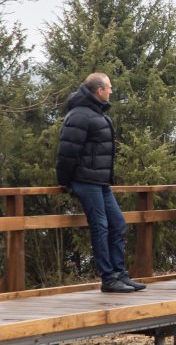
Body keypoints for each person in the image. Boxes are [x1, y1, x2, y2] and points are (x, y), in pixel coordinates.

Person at [55, 73, 146, 293]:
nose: (111, 91)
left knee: (118, 224)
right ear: (99, 90)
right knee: (101, 227)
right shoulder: (79, 116)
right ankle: (109, 278)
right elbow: (66, 153)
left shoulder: (96, 113)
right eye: (109, 88)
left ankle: (120, 274)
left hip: (101, 182)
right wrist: (67, 183)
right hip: (86, 181)